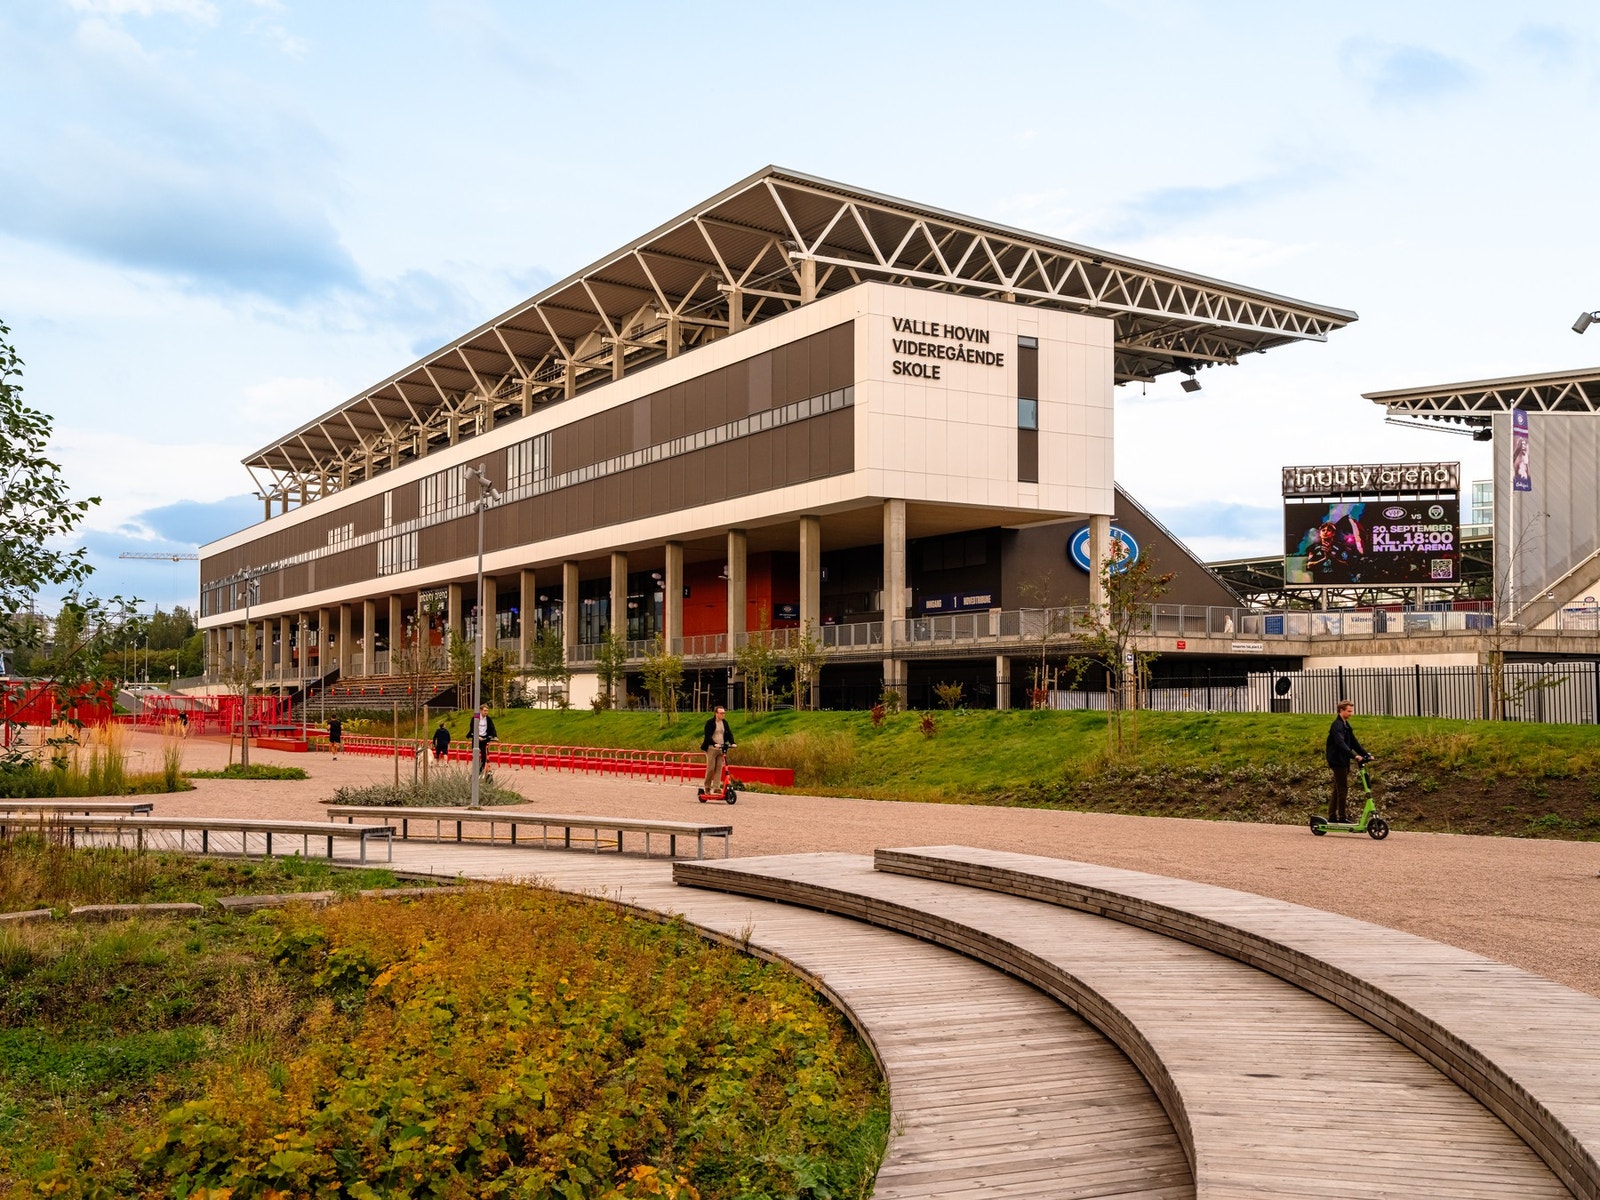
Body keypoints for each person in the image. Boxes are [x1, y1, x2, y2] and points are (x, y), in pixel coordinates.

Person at [1325, 700, 1371, 823]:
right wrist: (1354, 756)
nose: (1351, 713)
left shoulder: (1346, 725)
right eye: (1349, 711)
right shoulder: (1337, 726)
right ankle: (1342, 817)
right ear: (1341, 710)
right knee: (1342, 789)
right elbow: (1340, 743)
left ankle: (1332, 816)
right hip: (1337, 761)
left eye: (1351, 711)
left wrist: (1366, 754)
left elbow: (1354, 742)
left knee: (1337, 789)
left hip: (1343, 760)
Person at [701, 705, 735, 793]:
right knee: (711, 768)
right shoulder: (710, 723)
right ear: (716, 713)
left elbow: (729, 733)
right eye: (721, 713)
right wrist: (714, 743)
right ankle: (707, 787)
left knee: (719, 768)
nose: (723, 715)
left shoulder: (724, 722)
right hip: (711, 748)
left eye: (724, 713)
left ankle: (716, 787)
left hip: (721, 748)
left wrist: (732, 742)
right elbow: (707, 736)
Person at [471, 704, 497, 775]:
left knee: (484, 756)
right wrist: (477, 736)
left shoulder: (488, 718)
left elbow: (492, 727)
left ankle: (480, 771)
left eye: (487, 711)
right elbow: (472, 728)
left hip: (484, 738)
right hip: (476, 739)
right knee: (475, 755)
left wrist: (494, 736)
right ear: (481, 710)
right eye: (485, 710)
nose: (486, 712)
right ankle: (475, 771)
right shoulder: (476, 717)